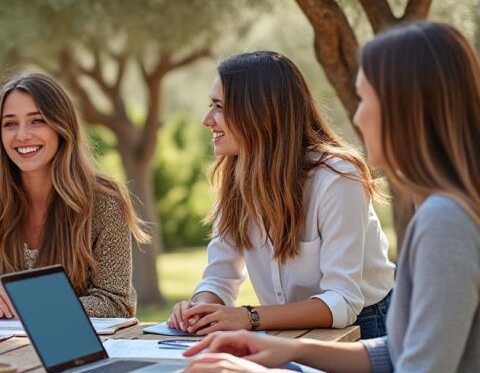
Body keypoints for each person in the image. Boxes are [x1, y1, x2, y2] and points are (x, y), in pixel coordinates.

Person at [181, 21, 480, 373]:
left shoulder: (445, 221)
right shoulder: (437, 211)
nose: (356, 117)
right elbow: (399, 354)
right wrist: (291, 353)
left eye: (365, 100)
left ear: (404, 109)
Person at [168, 52, 394, 339]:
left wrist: (247, 317)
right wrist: (200, 311)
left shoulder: (337, 178)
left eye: (219, 107)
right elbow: (220, 277)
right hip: (282, 327)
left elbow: (343, 301)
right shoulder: (237, 176)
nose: (206, 120)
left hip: (365, 328)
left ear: (258, 113)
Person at [0, 72, 148, 319]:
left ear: (62, 127)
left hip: (71, 351)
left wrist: (32, 306)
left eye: (37, 121)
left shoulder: (104, 202)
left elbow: (116, 303)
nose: (22, 135)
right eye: (10, 123)